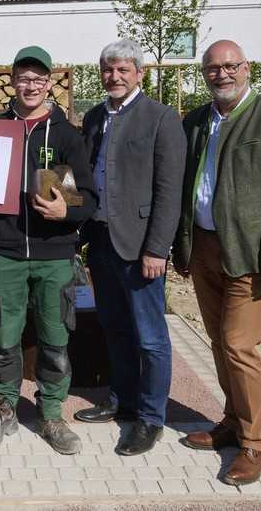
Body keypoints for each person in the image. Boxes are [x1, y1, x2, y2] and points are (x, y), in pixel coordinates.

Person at [0, 46, 96, 454]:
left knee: (54, 339)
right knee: (4, 337)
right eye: (23, 78)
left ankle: (51, 415)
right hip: (9, 251)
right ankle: (2, 409)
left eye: (38, 79)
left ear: (49, 83)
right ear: (11, 81)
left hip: (55, 254)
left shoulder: (67, 136)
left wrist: (69, 208)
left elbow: (89, 198)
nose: (30, 86)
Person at [172, 40, 261, 485]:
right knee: (217, 341)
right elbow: (186, 189)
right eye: (213, 68)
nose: (222, 74)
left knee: (239, 346)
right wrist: (183, 247)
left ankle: (256, 442)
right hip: (206, 248)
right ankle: (231, 422)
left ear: (246, 67)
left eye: (230, 66)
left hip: (248, 254)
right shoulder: (197, 120)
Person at [75, 39, 186, 456]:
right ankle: (122, 401)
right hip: (101, 242)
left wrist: (159, 248)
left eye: (123, 69)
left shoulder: (160, 118)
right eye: (108, 70)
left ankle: (151, 417)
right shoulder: (94, 116)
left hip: (141, 248)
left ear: (140, 73)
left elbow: (169, 190)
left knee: (151, 337)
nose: (115, 76)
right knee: (115, 328)